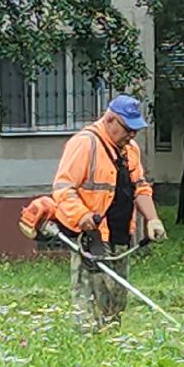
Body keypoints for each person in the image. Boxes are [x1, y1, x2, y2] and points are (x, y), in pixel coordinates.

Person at [51, 94, 167, 331]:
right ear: (111, 120)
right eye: (128, 129)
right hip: (92, 237)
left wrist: (152, 219)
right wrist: (81, 215)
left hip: (121, 235)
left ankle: (112, 346)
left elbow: (140, 187)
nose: (132, 135)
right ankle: (87, 348)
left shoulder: (130, 149)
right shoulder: (85, 143)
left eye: (136, 130)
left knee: (116, 301)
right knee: (91, 301)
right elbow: (63, 188)